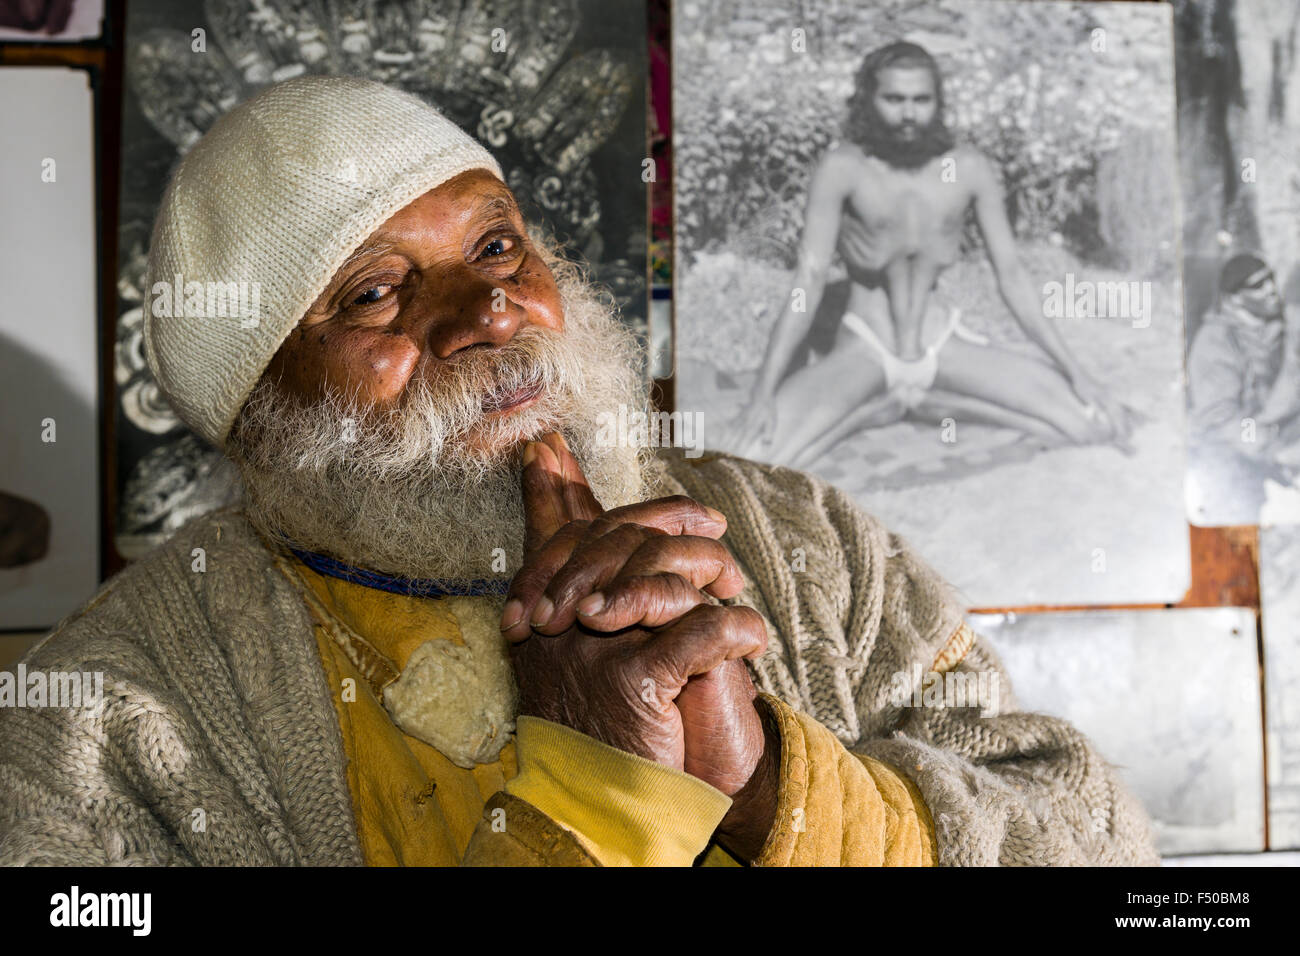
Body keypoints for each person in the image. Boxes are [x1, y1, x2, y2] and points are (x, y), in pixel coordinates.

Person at [0, 76, 1159, 866]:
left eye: (496, 244)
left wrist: (770, 791)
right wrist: (594, 795)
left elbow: (1099, 848)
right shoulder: (114, 708)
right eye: (375, 292)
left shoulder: (802, 540)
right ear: (261, 414)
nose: (491, 308)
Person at [729, 41, 1135, 469]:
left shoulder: (967, 169)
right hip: (868, 349)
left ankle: (911, 401)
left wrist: (1077, 372)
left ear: (938, 103)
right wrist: (762, 394)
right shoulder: (843, 168)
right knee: (752, 456)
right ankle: (889, 403)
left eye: (922, 100)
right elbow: (806, 284)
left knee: (1095, 422)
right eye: (894, 99)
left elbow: (1013, 276)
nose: (909, 114)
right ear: (867, 100)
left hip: (942, 345)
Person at [1186, 252, 1300, 522]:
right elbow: (1222, 420)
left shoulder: (1286, 326)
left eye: (1271, 280)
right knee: (1234, 524)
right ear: (1234, 299)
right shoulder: (1216, 343)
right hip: (1232, 445)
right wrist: (1275, 452)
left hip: (1280, 432)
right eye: (1258, 286)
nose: (1271, 289)